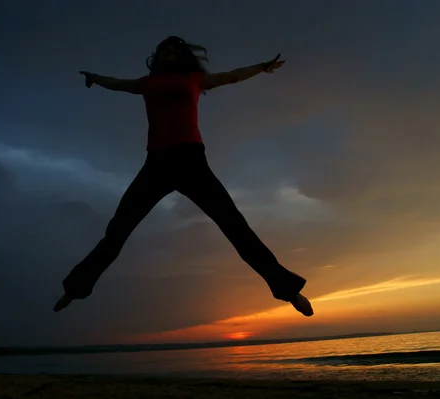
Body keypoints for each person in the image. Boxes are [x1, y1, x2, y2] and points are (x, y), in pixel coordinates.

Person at [54, 36, 313, 317]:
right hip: (157, 164)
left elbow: (232, 76)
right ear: (158, 56)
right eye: (163, 49)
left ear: (181, 56)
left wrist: (262, 66)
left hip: (192, 162)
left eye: (174, 49)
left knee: (236, 228)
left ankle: (289, 291)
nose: (168, 53)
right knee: (117, 231)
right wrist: (94, 77)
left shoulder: (194, 79)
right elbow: (118, 84)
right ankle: (74, 289)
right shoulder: (146, 83)